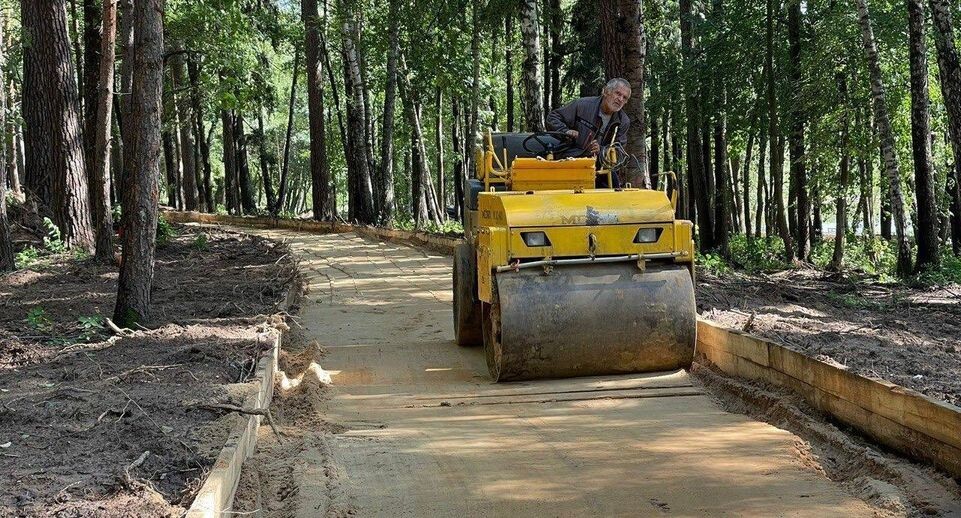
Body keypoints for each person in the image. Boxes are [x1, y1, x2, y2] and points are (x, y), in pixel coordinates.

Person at [546, 78, 631, 160]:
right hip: (571, 158)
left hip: (599, 164)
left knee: (613, 175)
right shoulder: (582, 105)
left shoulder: (623, 121)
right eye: (618, 94)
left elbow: (619, 152)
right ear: (605, 91)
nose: (620, 99)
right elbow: (553, 117)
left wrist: (601, 150)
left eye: (624, 98)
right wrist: (566, 131)